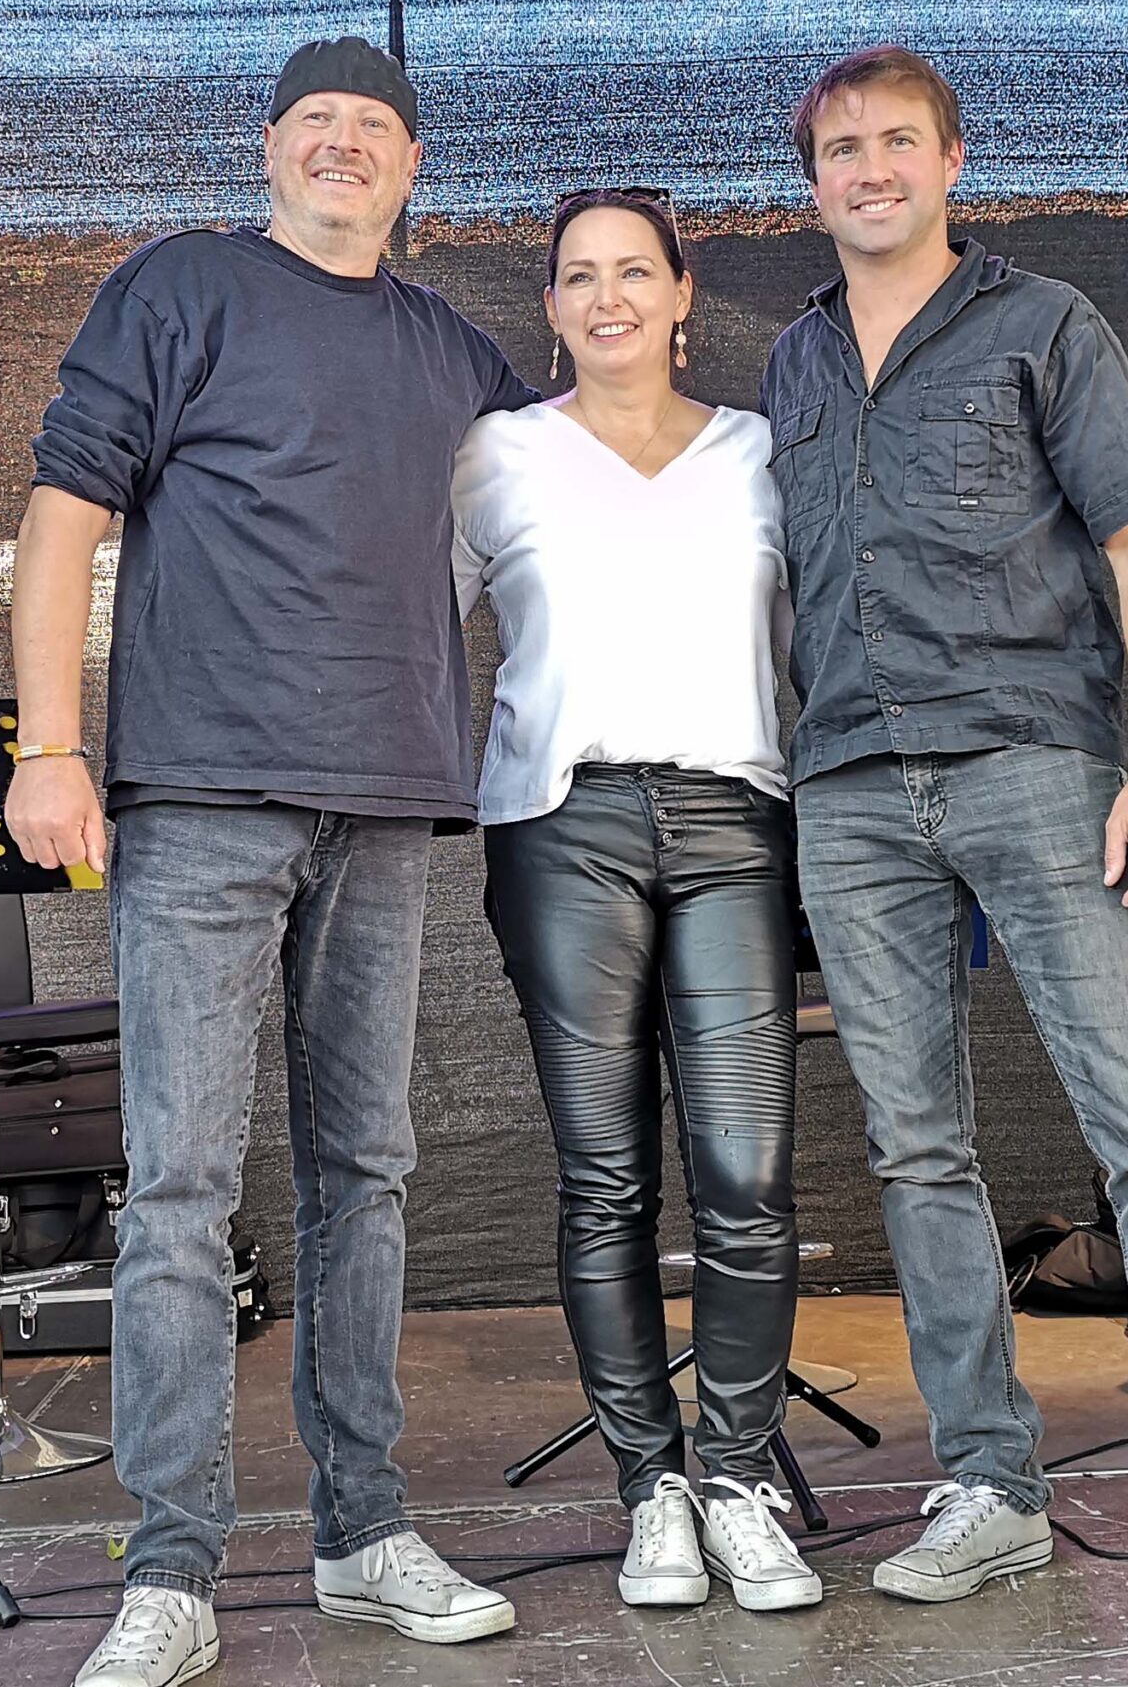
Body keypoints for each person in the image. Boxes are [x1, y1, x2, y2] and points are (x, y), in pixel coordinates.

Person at [10, 38, 537, 1687]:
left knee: (365, 1171)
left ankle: (363, 1529)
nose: (344, 143)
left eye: (375, 125)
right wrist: (48, 746)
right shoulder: (179, 289)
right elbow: (64, 515)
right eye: (317, 119)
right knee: (181, 1184)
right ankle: (169, 1569)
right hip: (201, 799)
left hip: (386, 804)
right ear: (268, 147)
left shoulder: (457, 351)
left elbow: (549, 533)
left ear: (412, 167)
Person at [759, 45, 1128, 1629]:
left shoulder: (1045, 324)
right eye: (842, 149)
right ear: (813, 182)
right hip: (851, 790)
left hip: (1041, 770)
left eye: (897, 141)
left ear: (951, 161)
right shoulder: (791, 365)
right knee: (916, 1150)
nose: (870, 169)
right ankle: (991, 1484)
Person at [450, 189, 820, 1613]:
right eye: (578, 277)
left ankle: (735, 1479)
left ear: (681, 293)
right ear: (551, 307)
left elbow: (817, 641)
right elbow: (413, 627)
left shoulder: (760, 453)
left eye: (633, 272)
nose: (607, 297)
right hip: (563, 827)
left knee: (746, 1172)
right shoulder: (498, 454)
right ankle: (649, 1488)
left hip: (734, 820)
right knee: (604, 1176)